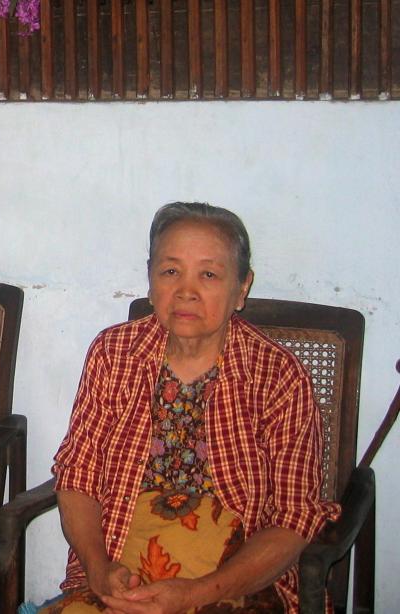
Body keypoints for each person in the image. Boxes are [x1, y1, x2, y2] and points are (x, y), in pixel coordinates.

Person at [48, 202, 339, 613]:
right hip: (119, 572)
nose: (186, 291)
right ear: (150, 279)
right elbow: (78, 476)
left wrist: (197, 593)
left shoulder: (279, 376)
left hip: (234, 586)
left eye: (209, 275)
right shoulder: (112, 354)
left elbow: (293, 519)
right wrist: (98, 569)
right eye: (170, 271)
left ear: (242, 288)